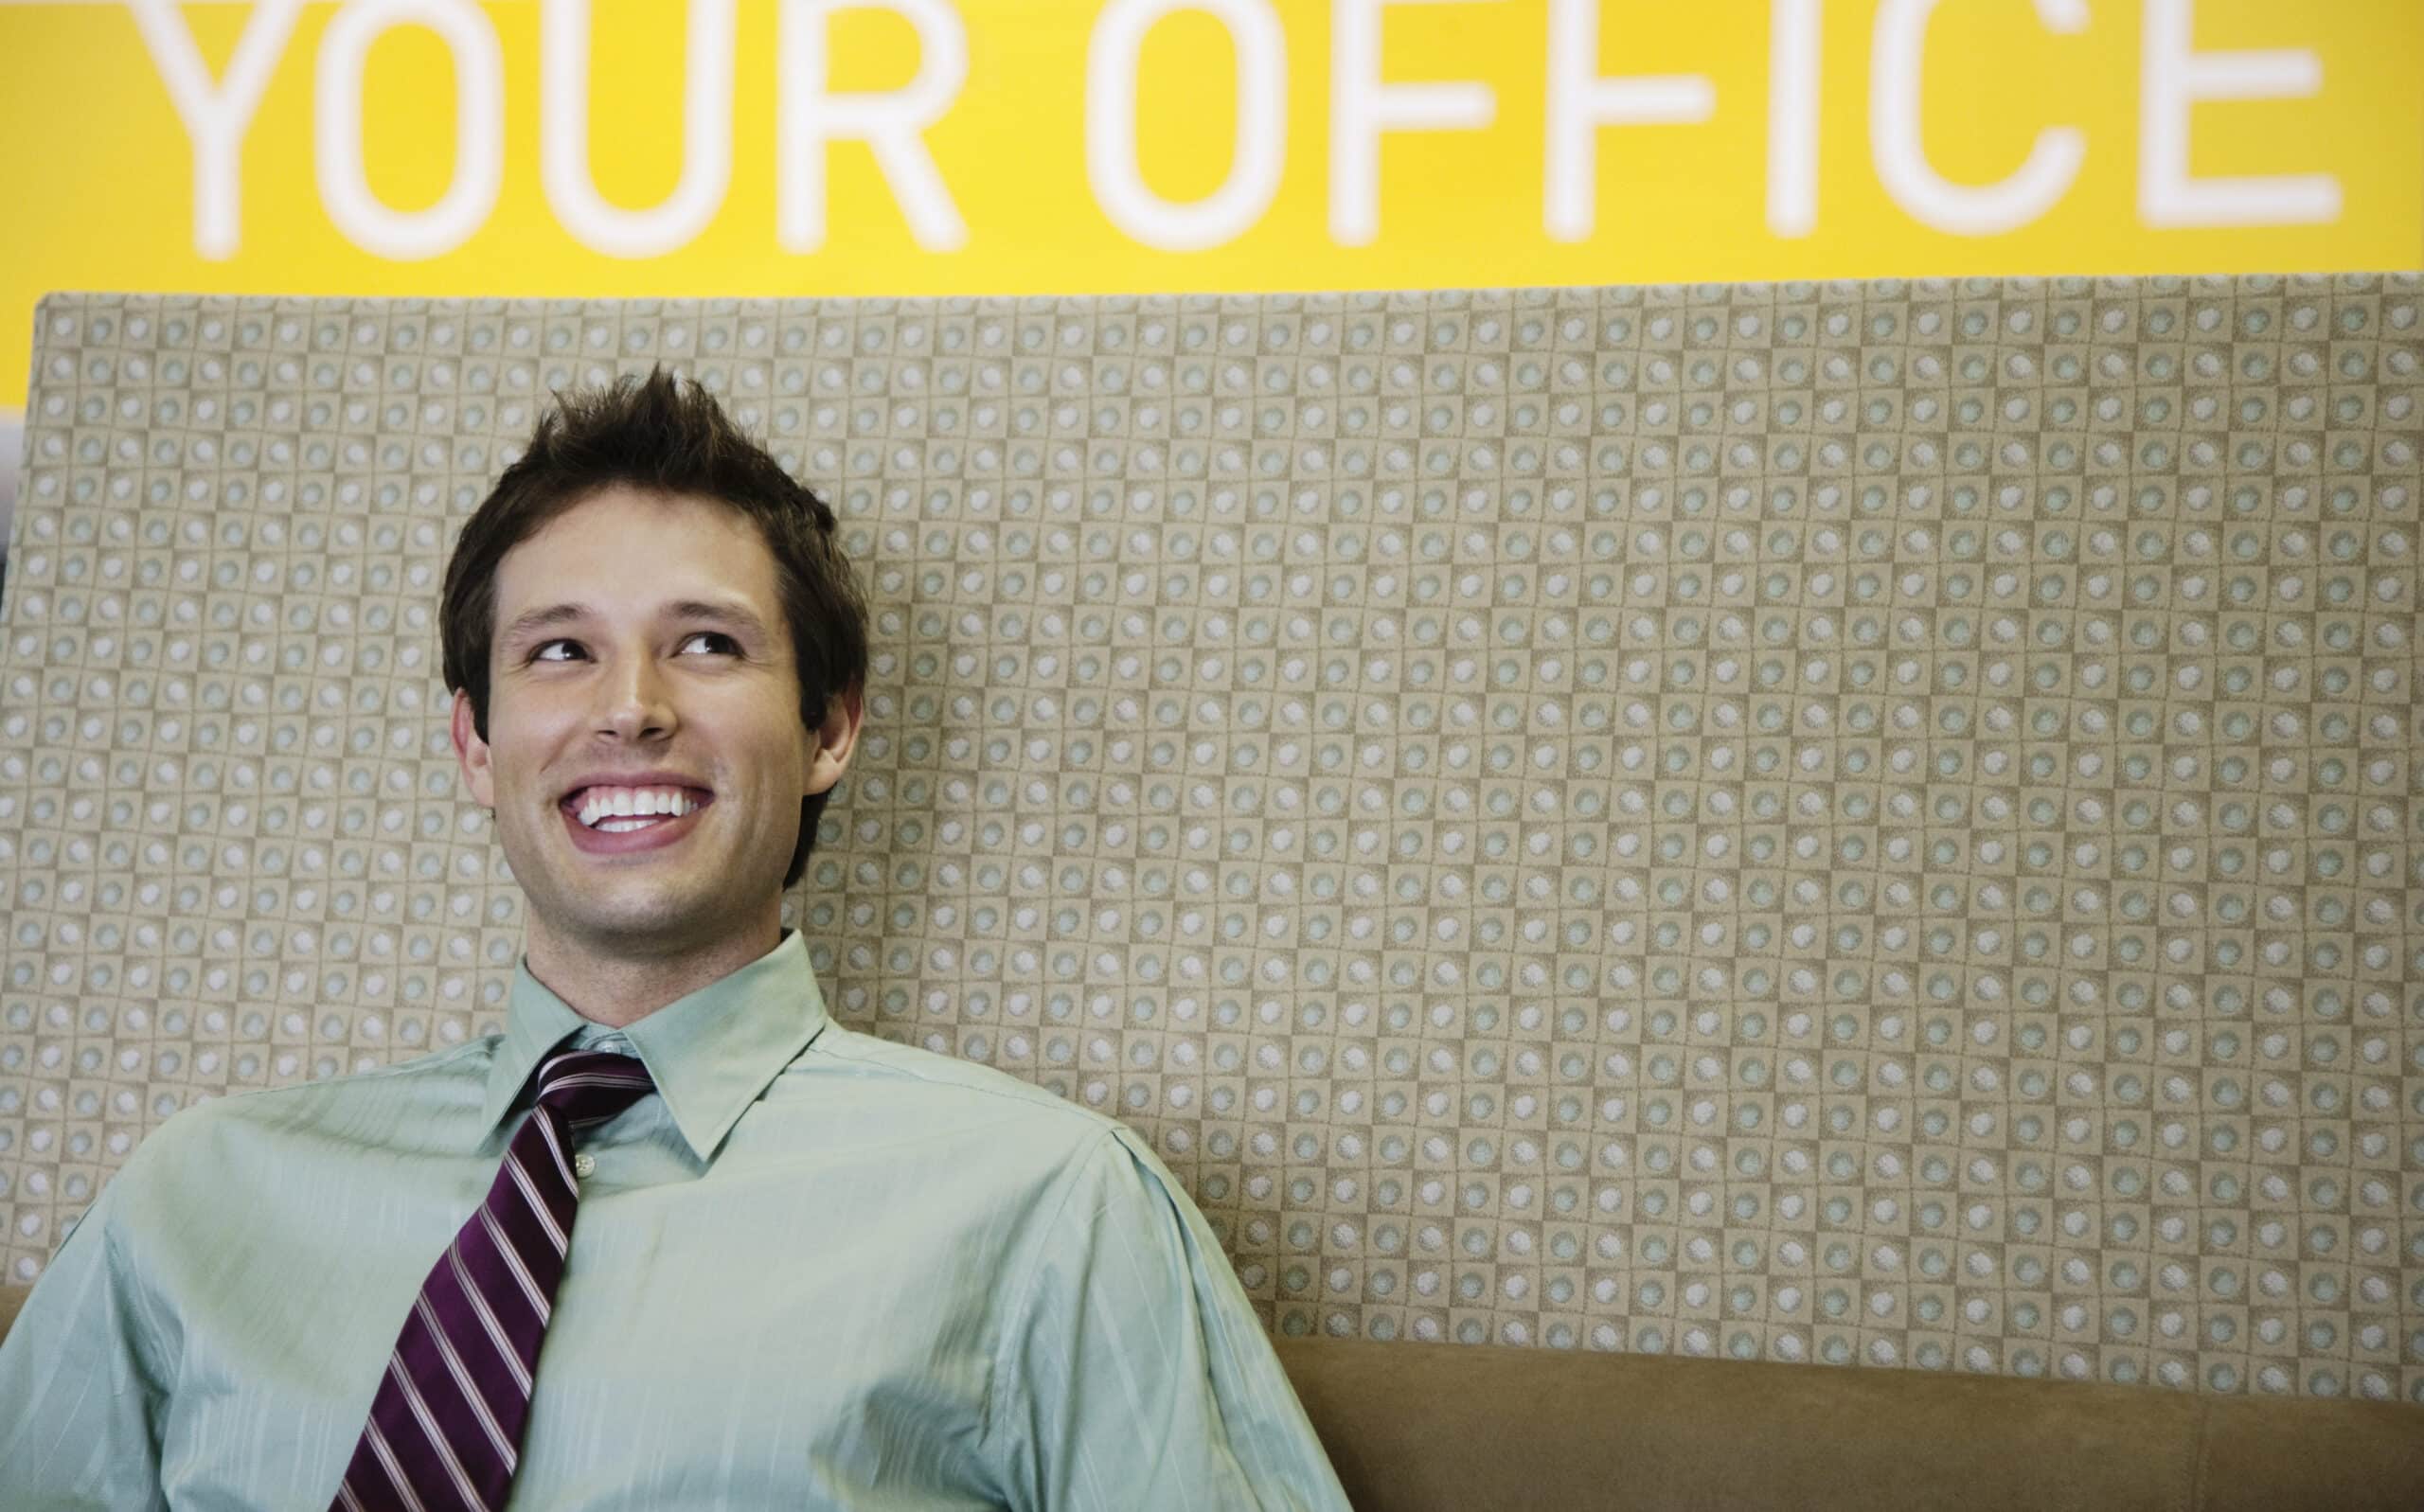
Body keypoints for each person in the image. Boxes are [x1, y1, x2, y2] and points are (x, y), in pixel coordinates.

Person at [0, 368, 1352, 1510]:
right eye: (557, 652)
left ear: (830, 727)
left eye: (706, 644)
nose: (631, 709)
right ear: (475, 743)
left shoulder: (1051, 1208)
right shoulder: (193, 1201)